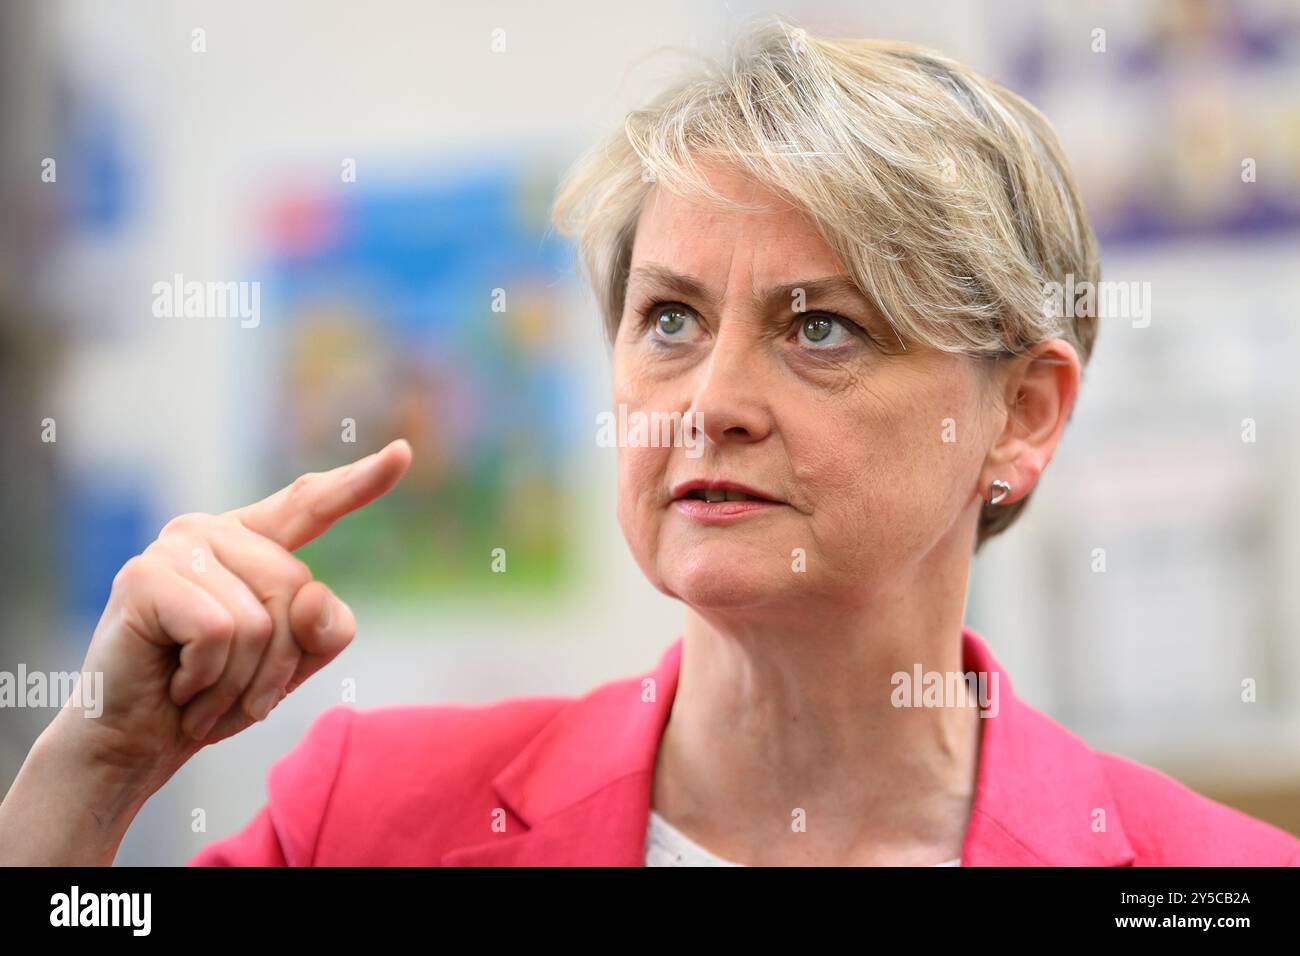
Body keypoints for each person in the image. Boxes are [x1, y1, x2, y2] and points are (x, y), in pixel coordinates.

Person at [2, 19, 1297, 867]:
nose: (708, 399)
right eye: (670, 316)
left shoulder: (1208, 881)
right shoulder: (370, 815)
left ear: (1020, 414)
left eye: (824, 327)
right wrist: (94, 770)